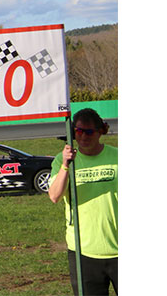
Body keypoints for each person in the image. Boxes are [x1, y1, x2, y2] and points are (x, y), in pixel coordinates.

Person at [48, 108, 117, 296]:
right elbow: (54, 196)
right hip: (83, 251)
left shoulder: (118, 157)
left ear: (100, 132)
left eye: (89, 132)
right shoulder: (61, 161)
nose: (83, 137)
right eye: (78, 131)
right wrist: (65, 166)